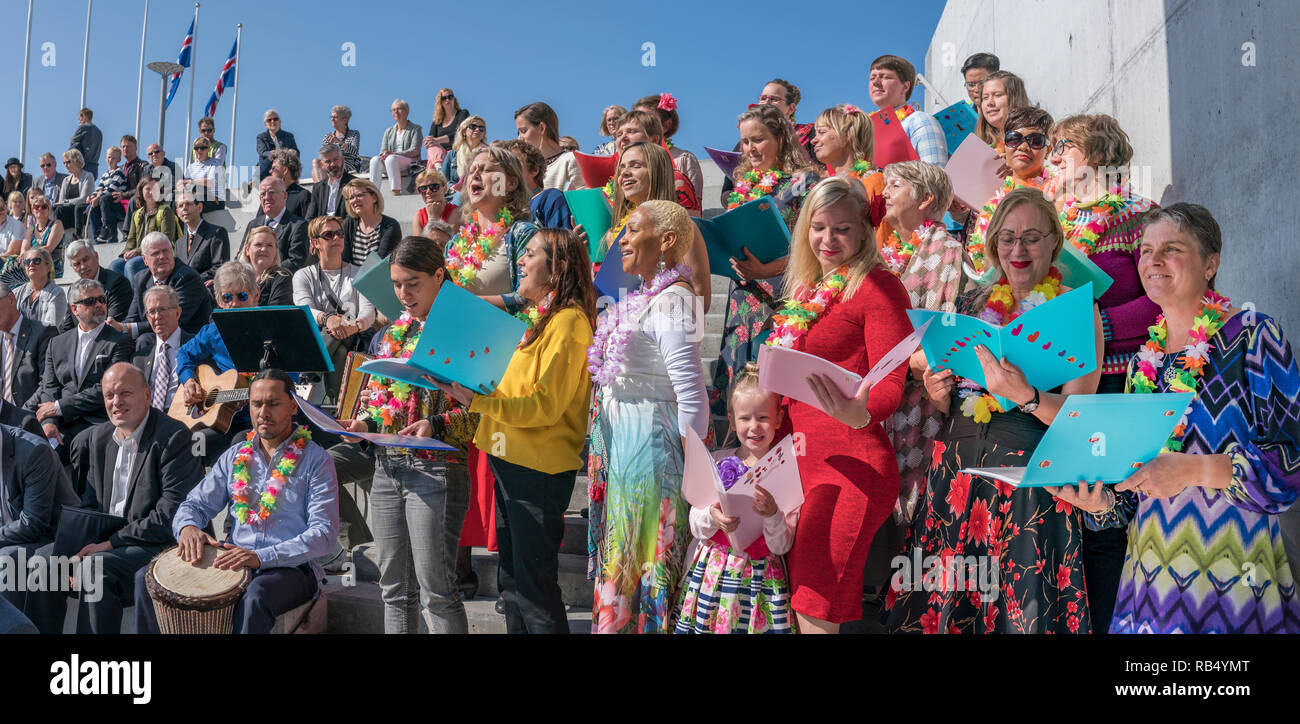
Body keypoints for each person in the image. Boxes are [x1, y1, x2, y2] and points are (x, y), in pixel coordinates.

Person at [1055, 204, 1300, 634]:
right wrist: (1103, 502)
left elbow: (1291, 466)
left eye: (1171, 248)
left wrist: (1193, 470)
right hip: (1149, 583)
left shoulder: (1253, 335)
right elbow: (1137, 489)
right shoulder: (1140, 364)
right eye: (1146, 250)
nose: (1153, 260)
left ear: (1211, 263)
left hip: (1233, 575)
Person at [885, 187, 1104, 634]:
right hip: (956, 476)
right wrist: (937, 391)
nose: (1017, 249)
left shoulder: (1080, 314)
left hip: (1026, 483)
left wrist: (1025, 394)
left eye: (1031, 237)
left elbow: (1081, 418)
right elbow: (948, 400)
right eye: (1006, 238)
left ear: (1054, 244)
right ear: (992, 246)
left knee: (1017, 613)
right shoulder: (970, 306)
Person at [748, 177, 909, 633]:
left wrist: (858, 412)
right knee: (796, 599)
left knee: (817, 601)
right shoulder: (806, 293)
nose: (828, 240)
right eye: (818, 227)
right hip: (797, 464)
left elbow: (890, 380)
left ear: (863, 230)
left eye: (841, 228)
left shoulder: (878, 286)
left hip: (850, 466)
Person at [431, 228, 595, 634]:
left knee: (534, 590)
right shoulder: (540, 318)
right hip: (508, 458)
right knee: (511, 585)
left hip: (537, 471)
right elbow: (513, 387)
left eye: (531, 254)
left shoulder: (570, 323)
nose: (520, 261)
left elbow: (544, 406)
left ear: (557, 269)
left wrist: (477, 401)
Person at [338, 236, 478, 633]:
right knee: (394, 589)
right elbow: (383, 403)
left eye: (412, 283)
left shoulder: (463, 331)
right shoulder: (390, 334)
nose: (402, 293)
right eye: (397, 284)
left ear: (439, 276)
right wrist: (364, 424)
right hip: (388, 466)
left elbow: (481, 414)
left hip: (436, 468)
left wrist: (435, 424)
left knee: (437, 590)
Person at [133, 369, 340, 635]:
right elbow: (193, 505)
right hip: (234, 560)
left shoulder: (317, 460)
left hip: (292, 568)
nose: (263, 412)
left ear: (292, 407)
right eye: (256, 404)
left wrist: (260, 557)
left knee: (255, 597)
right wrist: (188, 528)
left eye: (273, 404)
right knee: (145, 580)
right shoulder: (235, 456)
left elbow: (323, 534)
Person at [587, 200, 708, 634]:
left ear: (667, 241)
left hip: (651, 449)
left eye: (633, 230)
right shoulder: (644, 297)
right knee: (625, 556)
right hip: (625, 443)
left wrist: (694, 472)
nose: (622, 239)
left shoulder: (673, 301)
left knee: (643, 558)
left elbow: (691, 391)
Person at [26, 362, 204, 634]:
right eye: (109, 396)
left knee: (94, 569)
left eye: (125, 394)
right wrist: (77, 543)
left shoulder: (176, 437)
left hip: (155, 544)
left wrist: (109, 544)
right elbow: (89, 505)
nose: (116, 402)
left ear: (147, 395)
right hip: (107, 542)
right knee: (42, 563)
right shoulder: (96, 439)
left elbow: (170, 515)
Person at [873, 162, 965, 583]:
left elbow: (941, 340)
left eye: (896, 184)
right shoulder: (890, 252)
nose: (884, 191)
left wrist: (903, 358)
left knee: (918, 516)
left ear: (926, 199)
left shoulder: (947, 250)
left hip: (924, 401)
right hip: (885, 398)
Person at [710, 104, 820, 421]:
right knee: (739, 395)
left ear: (781, 139)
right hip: (742, 298)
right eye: (745, 142)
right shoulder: (743, 188)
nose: (749, 149)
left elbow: (812, 250)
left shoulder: (804, 184)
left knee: (771, 397)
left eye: (757, 140)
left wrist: (765, 270)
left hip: (782, 297)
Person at [674, 365, 800, 634]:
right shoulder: (718, 460)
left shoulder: (785, 470)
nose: (754, 427)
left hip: (760, 582)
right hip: (715, 573)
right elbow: (695, 523)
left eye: (763, 417)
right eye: (745, 418)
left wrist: (772, 515)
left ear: (778, 419)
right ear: (731, 420)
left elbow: (782, 545)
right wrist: (712, 516)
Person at [587, 141, 710, 309]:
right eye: (621, 168)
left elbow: (701, 300)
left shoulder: (682, 228)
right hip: (620, 328)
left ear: (657, 172)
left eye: (635, 166)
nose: (625, 173)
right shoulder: (614, 234)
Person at [30, 278, 134, 460]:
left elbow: (107, 390)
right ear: (74, 309)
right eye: (90, 302)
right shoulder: (57, 343)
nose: (99, 305)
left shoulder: (119, 341)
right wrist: (49, 422)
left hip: (97, 420)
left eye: (102, 299)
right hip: (62, 421)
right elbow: (49, 387)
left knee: (80, 445)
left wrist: (59, 407)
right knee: (33, 448)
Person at [177, 262, 260, 464]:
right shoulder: (213, 332)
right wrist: (189, 382)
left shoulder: (271, 329)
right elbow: (184, 354)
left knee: (238, 447)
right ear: (218, 300)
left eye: (242, 296)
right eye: (227, 297)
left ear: (255, 295)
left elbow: (290, 381)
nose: (234, 303)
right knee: (192, 444)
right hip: (222, 421)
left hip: (257, 422)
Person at [0, 419, 77, 620]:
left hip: (54, 537)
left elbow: (33, 524)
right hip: (12, 537)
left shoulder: (34, 451)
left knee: (6, 559)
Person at [445, 147, 538, 311]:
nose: (475, 175)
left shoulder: (524, 234)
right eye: (472, 170)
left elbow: (530, 296)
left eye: (486, 169)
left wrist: (470, 304)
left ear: (511, 183)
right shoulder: (454, 244)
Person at [293, 215, 376, 396]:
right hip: (320, 338)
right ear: (315, 243)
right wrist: (328, 318)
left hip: (354, 334)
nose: (336, 238)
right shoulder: (303, 275)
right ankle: (337, 405)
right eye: (329, 235)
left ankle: (308, 373)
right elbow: (303, 309)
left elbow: (369, 311)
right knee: (338, 352)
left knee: (336, 333)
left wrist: (353, 326)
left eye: (340, 233)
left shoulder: (359, 272)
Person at [967, 107, 1055, 276]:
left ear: (1048, 150)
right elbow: (979, 258)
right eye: (1014, 139)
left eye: (1035, 140)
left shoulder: (1057, 193)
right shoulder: (990, 205)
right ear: (1005, 145)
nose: (1023, 146)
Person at [812, 103, 893, 245]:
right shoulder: (826, 187)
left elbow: (882, 245)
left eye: (822, 132)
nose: (814, 140)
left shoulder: (874, 182)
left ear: (847, 135)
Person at [117, 232, 213, 338]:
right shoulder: (141, 279)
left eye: (166, 251)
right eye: (155, 253)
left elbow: (172, 321)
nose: (162, 256)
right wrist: (120, 328)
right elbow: (133, 318)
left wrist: (129, 328)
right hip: (155, 336)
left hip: (189, 339)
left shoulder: (187, 277)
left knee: (145, 339)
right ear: (144, 259)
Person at [612, 110, 701, 215]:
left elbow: (690, 228)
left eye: (632, 131)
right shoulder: (621, 182)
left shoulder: (674, 180)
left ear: (654, 140)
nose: (623, 138)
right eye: (619, 134)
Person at [868, 55, 949, 165]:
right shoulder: (865, 129)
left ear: (905, 87)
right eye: (872, 78)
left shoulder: (919, 120)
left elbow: (936, 174)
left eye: (885, 77)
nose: (875, 82)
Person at [634, 93, 705, 201]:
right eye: (635, 120)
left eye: (647, 121)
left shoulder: (683, 159)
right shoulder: (626, 163)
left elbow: (693, 209)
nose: (639, 125)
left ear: (666, 125)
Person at [132, 284, 192, 412]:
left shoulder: (196, 346)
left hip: (186, 418)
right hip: (151, 421)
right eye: (152, 312)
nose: (157, 316)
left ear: (178, 312)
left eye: (162, 309)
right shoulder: (140, 358)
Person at [114, 177, 180, 283]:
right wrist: (126, 253)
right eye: (147, 189)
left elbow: (166, 237)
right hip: (140, 255)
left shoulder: (165, 211)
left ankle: (137, 298)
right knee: (115, 265)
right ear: (141, 191)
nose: (151, 192)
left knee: (131, 265)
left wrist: (138, 251)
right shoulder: (136, 214)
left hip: (157, 253)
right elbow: (131, 239)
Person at [0, 280, 55, 408]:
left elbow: (47, 384)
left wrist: (21, 415)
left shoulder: (43, 333)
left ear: (11, 299)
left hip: (28, 417)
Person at [60, 240, 132, 332]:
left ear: (96, 257)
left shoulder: (117, 283)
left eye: (85, 259)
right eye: (77, 264)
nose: (83, 267)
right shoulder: (73, 290)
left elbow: (112, 325)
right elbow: (67, 327)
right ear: (73, 268)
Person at [242, 176, 310, 272]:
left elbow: (296, 261)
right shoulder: (253, 224)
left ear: (285, 196)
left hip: (281, 283)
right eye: (263, 194)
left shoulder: (299, 225)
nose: (267, 197)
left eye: (272, 192)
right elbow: (242, 255)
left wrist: (267, 275)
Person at [497, 140, 569, 230]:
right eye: (504, 165)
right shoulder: (505, 210)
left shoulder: (549, 198)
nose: (507, 169)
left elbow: (563, 241)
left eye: (514, 162)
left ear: (534, 169)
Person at [515, 102, 582, 191]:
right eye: (518, 133)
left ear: (542, 128)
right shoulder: (526, 169)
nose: (519, 138)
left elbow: (583, 199)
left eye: (523, 131)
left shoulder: (570, 160)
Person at [340, 178, 402, 264]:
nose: (355, 200)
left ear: (374, 198)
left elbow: (381, 264)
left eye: (360, 195)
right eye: (351, 197)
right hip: (351, 276)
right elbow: (344, 260)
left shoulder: (390, 226)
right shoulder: (348, 224)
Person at [369, 99, 424, 196]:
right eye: (393, 110)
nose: (396, 112)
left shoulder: (416, 129)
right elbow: (383, 150)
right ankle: (373, 193)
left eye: (399, 109)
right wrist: (383, 155)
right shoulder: (388, 131)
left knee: (391, 158)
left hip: (410, 161)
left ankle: (396, 192)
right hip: (392, 161)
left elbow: (415, 150)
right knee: (375, 160)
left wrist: (393, 154)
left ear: (407, 111)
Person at [173, 190, 230, 284]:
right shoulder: (179, 243)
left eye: (188, 204)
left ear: (199, 207)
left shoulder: (217, 233)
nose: (184, 208)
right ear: (178, 213)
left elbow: (220, 267)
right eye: (180, 206)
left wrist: (192, 281)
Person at [756, 79, 817, 162]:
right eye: (763, 98)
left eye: (774, 99)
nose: (766, 102)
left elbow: (824, 169)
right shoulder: (748, 140)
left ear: (791, 109)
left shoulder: (810, 133)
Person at [974, 71, 1031, 152]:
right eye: (985, 97)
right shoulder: (978, 144)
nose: (990, 103)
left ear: (1015, 98)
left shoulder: (1033, 141)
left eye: (997, 95)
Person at [240, 226, 295, 306]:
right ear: (247, 250)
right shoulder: (237, 278)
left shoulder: (282, 277)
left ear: (275, 251)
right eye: (258, 245)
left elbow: (276, 314)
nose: (264, 249)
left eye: (269, 245)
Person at [13, 248, 67, 329]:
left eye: (36, 260)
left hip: (45, 341)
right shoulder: (16, 292)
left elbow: (50, 328)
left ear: (48, 266)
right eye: (27, 262)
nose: (31, 264)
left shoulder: (57, 293)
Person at [441, 115, 487, 204]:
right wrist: (452, 188)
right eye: (473, 126)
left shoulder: (487, 153)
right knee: (459, 196)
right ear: (464, 131)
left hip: (479, 191)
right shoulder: (452, 154)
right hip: (455, 194)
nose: (477, 130)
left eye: (481, 128)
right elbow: (442, 179)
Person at [17, 193, 64, 277]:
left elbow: (48, 248)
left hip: (51, 267)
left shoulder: (56, 224)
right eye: (36, 207)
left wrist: (27, 254)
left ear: (49, 210)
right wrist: (23, 254)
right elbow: (23, 249)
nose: (40, 209)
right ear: (32, 210)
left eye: (44, 207)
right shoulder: (30, 229)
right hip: (32, 267)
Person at [85, 146, 126, 243]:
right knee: (90, 208)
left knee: (104, 199)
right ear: (105, 158)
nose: (110, 160)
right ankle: (98, 238)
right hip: (105, 202)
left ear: (119, 160)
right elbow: (99, 188)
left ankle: (107, 229)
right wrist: (92, 197)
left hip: (116, 204)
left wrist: (98, 196)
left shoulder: (119, 172)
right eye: (109, 157)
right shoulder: (105, 175)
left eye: (113, 158)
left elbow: (111, 190)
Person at [306, 142, 357, 220]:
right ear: (322, 165)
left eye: (335, 160)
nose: (332, 164)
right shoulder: (318, 188)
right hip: (322, 229)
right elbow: (310, 217)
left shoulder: (354, 183)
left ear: (343, 160)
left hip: (344, 229)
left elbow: (354, 215)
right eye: (328, 161)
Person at [312, 105, 361, 180]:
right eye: (331, 117)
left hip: (346, 164)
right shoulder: (327, 137)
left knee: (336, 163)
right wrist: (330, 146)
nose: (332, 119)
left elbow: (354, 151)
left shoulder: (354, 134)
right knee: (316, 162)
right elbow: (322, 155)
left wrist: (339, 142)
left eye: (335, 117)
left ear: (345, 120)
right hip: (330, 164)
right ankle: (321, 188)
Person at [52, 149, 94, 235]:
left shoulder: (88, 176)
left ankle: (55, 235)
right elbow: (61, 201)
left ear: (76, 160)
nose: (65, 165)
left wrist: (66, 202)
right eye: (64, 163)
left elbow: (83, 199)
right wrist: (63, 202)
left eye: (68, 162)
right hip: (67, 212)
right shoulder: (66, 180)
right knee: (53, 209)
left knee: (60, 210)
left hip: (81, 212)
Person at [426, 89, 469, 169]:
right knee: (432, 147)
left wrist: (437, 140)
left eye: (450, 97)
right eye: (444, 98)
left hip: (455, 151)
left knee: (433, 153)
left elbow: (459, 134)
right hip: (439, 155)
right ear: (440, 102)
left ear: (454, 99)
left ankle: (439, 172)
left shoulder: (463, 113)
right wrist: (429, 141)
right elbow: (431, 140)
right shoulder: (437, 121)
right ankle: (440, 169)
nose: (447, 100)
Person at [410, 168, 457, 236]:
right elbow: (419, 246)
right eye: (423, 189)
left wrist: (433, 219)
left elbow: (446, 243)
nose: (428, 191)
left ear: (444, 189)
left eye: (434, 187)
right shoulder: (418, 216)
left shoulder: (456, 212)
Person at [184, 137, 226, 212]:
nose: (199, 150)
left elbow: (210, 182)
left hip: (214, 199)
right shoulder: (191, 167)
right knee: (176, 201)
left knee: (195, 200)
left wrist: (192, 182)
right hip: (198, 195)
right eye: (196, 148)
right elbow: (186, 185)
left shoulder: (215, 163)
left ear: (208, 149)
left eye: (203, 148)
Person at [256, 109, 299, 181]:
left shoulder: (289, 136)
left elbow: (296, 152)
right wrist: (274, 154)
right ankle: (254, 182)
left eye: (275, 119)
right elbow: (262, 152)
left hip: (284, 163)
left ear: (280, 122)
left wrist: (291, 152)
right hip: (267, 166)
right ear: (265, 124)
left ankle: (253, 181)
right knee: (270, 157)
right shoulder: (261, 137)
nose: (272, 121)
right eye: (269, 120)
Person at [269, 149, 309, 218]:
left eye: (273, 168)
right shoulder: (268, 196)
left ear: (285, 170)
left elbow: (310, 226)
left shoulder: (303, 196)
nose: (270, 171)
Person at [69, 108, 103, 177]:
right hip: (94, 167)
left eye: (79, 119)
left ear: (84, 116)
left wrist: (72, 138)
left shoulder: (83, 127)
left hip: (83, 166)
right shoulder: (99, 132)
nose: (79, 122)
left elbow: (73, 143)